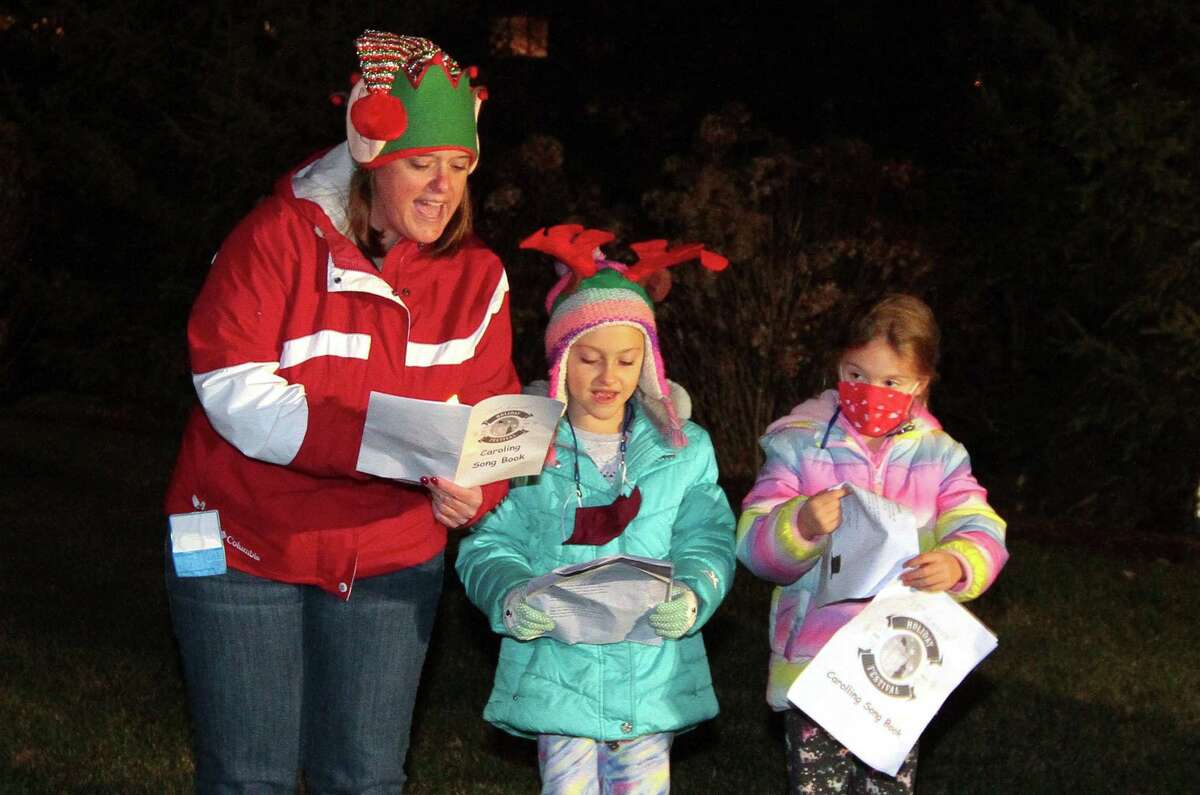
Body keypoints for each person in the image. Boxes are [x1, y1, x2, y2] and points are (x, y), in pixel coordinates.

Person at [163, 31, 518, 792]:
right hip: (241, 538)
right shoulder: (276, 239)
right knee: (248, 777)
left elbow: (494, 414)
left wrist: (478, 488)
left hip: (389, 549)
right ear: (372, 158)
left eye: (459, 166)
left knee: (363, 778)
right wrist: (378, 441)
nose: (443, 187)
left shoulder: (479, 277)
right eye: (421, 164)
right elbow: (231, 384)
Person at [455, 225, 736, 794]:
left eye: (627, 361)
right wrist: (511, 595)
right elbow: (487, 543)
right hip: (560, 676)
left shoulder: (683, 451)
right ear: (561, 358)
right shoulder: (521, 446)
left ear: (648, 364)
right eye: (589, 359)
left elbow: (707, 537)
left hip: (649, 679)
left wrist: (693, 593)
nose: (609, 378)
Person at [736, 294, 1008, 794]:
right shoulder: (799, 446)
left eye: (891, 382)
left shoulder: (939, 456)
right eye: (856, 374)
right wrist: (800, 524)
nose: (870, 392)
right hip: (816, 671)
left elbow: (980, 523)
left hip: (898, 676)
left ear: (920, 382)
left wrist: (958, 561)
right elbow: (754, 545)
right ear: (838, 365)